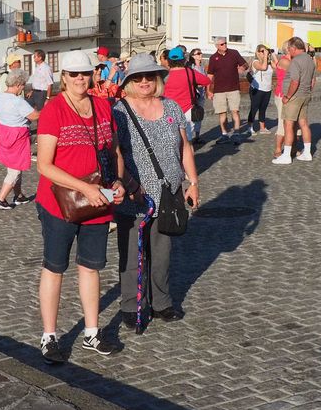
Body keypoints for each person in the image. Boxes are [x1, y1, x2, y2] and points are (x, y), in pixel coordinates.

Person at [35, 50, 125, 363]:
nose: (80, 79)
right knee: (55, 268)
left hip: (97, 202)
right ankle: (49, 336)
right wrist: (85, 186)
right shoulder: (54, 110)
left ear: (94, 74)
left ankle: (92, 332)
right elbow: (44, 166)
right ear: (64, 78)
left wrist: (119, 182)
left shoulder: (103, 106)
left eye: (85, 73)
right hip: (59, 203)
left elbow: (114, 152)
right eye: (74, 74)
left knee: (91, 266)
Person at [113, 53, 200, 329]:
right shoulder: (119, 112)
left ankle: (161, 302)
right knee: (131, 254)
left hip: (168, 192)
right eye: (137, 77)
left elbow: (184, 146)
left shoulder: (172, 108)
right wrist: (128, 184)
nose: (144, 82)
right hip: (134, 195)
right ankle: (132, 304)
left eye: (150, 76)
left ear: (158, 79)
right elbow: (114, 154)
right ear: (128, 81)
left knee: (162, 252)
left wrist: (193, 182)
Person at [0, 68, 40, 209]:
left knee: (13, 166)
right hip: (17, 136)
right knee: (15, 170)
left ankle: (18, 195)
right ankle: (0, 199)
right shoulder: (18, 102)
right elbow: (34, 116)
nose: (23, 88)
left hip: (3, 133)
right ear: (18, 84)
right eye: (23, 84)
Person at [273, 37, 316, 165]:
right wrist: (308, 91)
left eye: (289, 49)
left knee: (288, 125)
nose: (288, 51)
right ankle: (307, 153)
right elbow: (313, 80)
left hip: (294, 96)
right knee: (303, 124)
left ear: (293, 48)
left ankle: (286, 155)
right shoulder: (310, 59)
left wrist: (287, 96)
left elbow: (294, 81)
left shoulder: (296, 61)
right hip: (304, 94)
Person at [163, 47, 210, 144]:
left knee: (172, 140)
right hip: (188, 110)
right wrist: (194, 83)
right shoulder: (190, 72)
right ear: (183, 59)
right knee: (187, 141)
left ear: (169, 60)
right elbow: (206, 81)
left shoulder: (165, 75)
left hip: (169, 110)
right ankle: (188, 158)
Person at [206, 37, 248, 145]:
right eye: (221, 44)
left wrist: (242, 68)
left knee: (235, 111)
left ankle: (237, 133)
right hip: (219, 90)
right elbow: (210, 76)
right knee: (222, 113)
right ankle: (224, 134)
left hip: (233, 88)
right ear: (216, 46)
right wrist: (208, 90)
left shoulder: (234, 53)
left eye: (225, 43)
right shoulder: (213, 58)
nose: (224, 45)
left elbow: (245, 64)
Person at [246, 45, 276, 136]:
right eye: (262, 51)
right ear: (258, 52)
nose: (264, 53)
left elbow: (277, 66)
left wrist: (273, 54)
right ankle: (250, 127)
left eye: (265, 51)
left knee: (263, 109)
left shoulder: (269, 62)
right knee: (254, 108)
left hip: (267, 89)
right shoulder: (255, 62)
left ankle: (262, 127)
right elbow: (263, 67)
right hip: (257, 89)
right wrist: (265, 58)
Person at [273, 41, 291, 158]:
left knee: (291, 123)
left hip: (290, 94)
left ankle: (292, 148)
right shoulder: (285, 61)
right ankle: (278, 149)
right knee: (282, 122)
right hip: (282, 94)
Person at [188, 48, 208, 145]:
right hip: (194, 94)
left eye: (201, 53)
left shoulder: (202, 67)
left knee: (199, 115)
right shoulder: (192, 68)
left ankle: (197, 136)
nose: (200, 55)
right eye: (198, 53)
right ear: (193, 56)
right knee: (192, 115)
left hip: (202, 94)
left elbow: (206, 79)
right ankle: (189, 137)